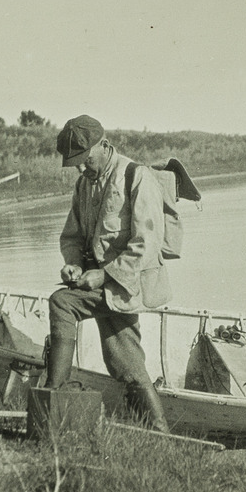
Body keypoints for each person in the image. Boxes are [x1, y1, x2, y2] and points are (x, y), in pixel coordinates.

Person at [44, 114, 171, 433]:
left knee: (62, 303)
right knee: (125, 362)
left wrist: (104, 275)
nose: (81, 169)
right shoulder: (84, 184)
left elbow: (147, 244)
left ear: (105, 145)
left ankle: (51, 398)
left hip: (132, 285)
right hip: (106, 286)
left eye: (85, 160)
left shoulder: (136, 176)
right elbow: (71, 236)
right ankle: (159, 434)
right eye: (76, 164)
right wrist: (74, 263)